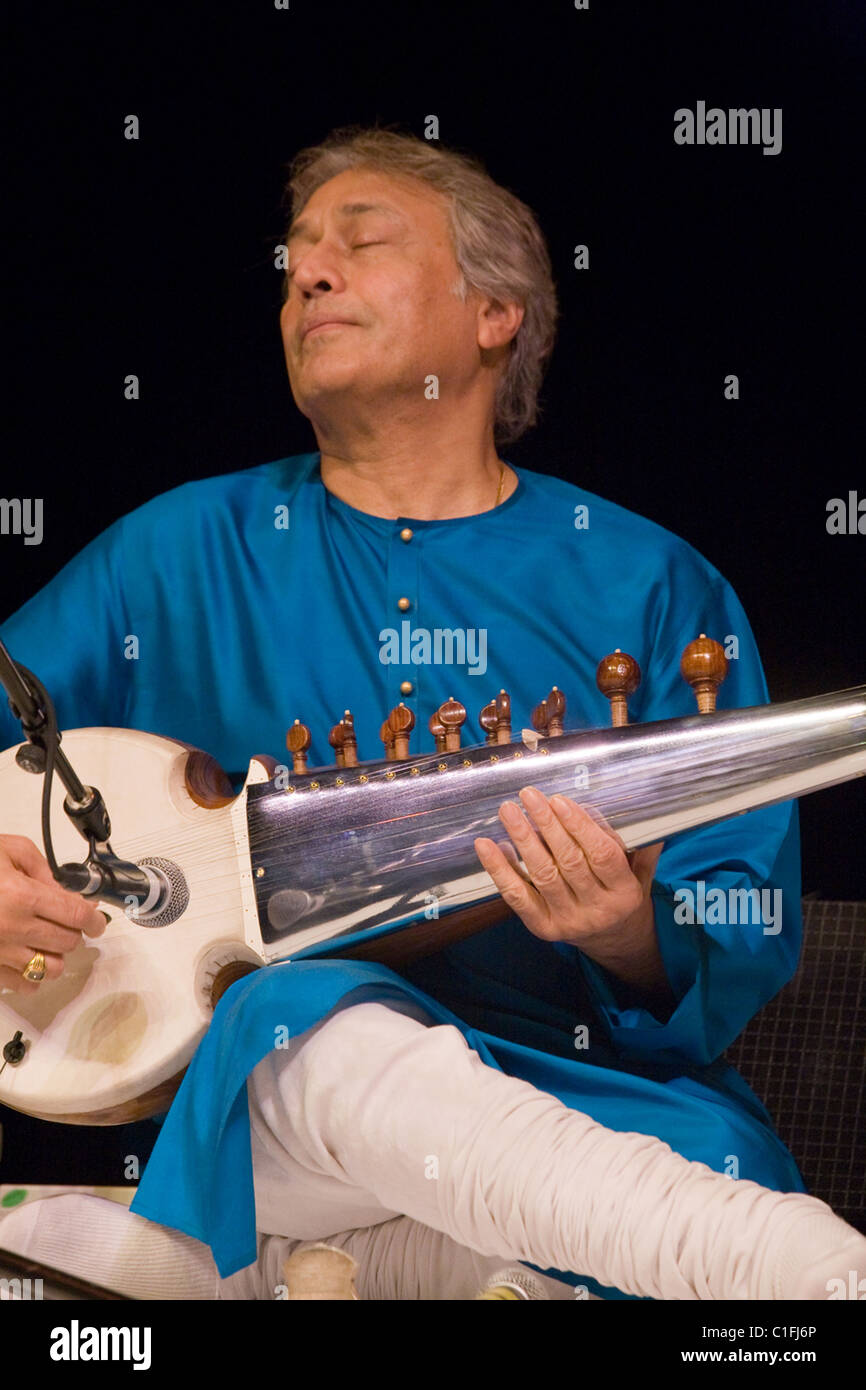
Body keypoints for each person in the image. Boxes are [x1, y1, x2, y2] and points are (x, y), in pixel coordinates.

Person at [0, 127, 863, 1300]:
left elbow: (732, 917)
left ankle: (308, 1271)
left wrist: (620, 930)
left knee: (716, 1162)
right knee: (304, 1017)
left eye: (359, 242)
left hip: (583, 1090)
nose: (307, 273)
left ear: (494, 313)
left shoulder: (646, 584)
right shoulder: (175, 554)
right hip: (274, 1105)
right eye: (294, 255)